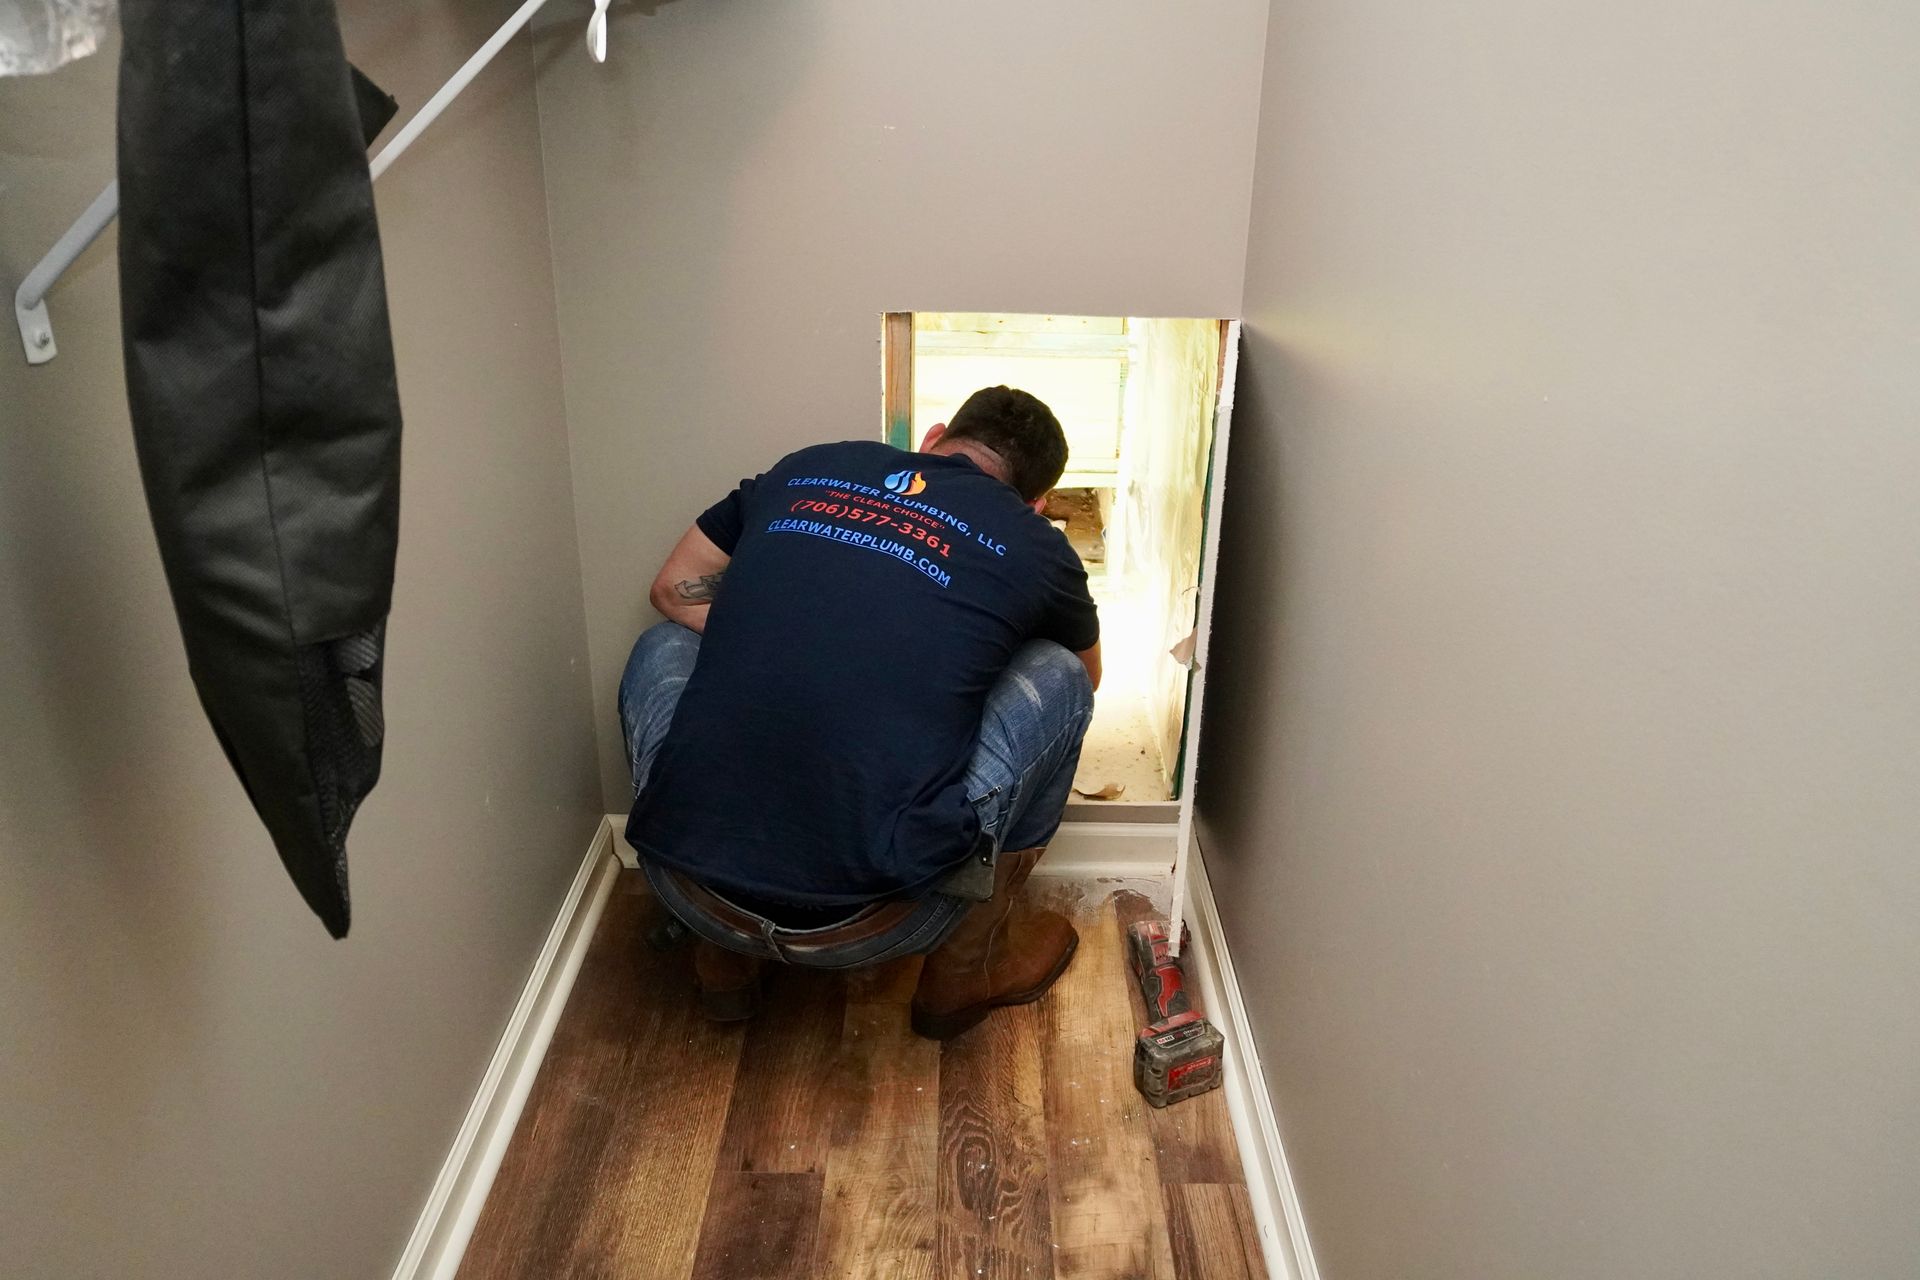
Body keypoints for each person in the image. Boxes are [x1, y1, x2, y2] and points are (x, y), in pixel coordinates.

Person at [620, 386, 1101, 1040]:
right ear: (1036, 502)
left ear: (933, 437)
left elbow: (671, 589)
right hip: (885, 919)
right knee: (1060, 674)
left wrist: (785, 635)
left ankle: (722, 963)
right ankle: (965, 970)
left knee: (663, 643)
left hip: (687, 888)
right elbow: (1086, 679)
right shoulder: (1033, 541)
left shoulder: (811, 465)